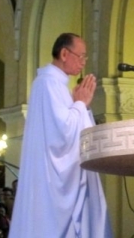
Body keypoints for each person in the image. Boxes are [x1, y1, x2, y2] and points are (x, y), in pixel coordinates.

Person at [8, 33, 112, 238]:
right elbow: (63, 133)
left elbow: (70, 126)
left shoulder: (54, 84)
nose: (83, 62)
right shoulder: (49, 83)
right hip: (52, 180)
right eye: (81, 56)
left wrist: (79, 105)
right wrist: (80, 103)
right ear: (64, 54)